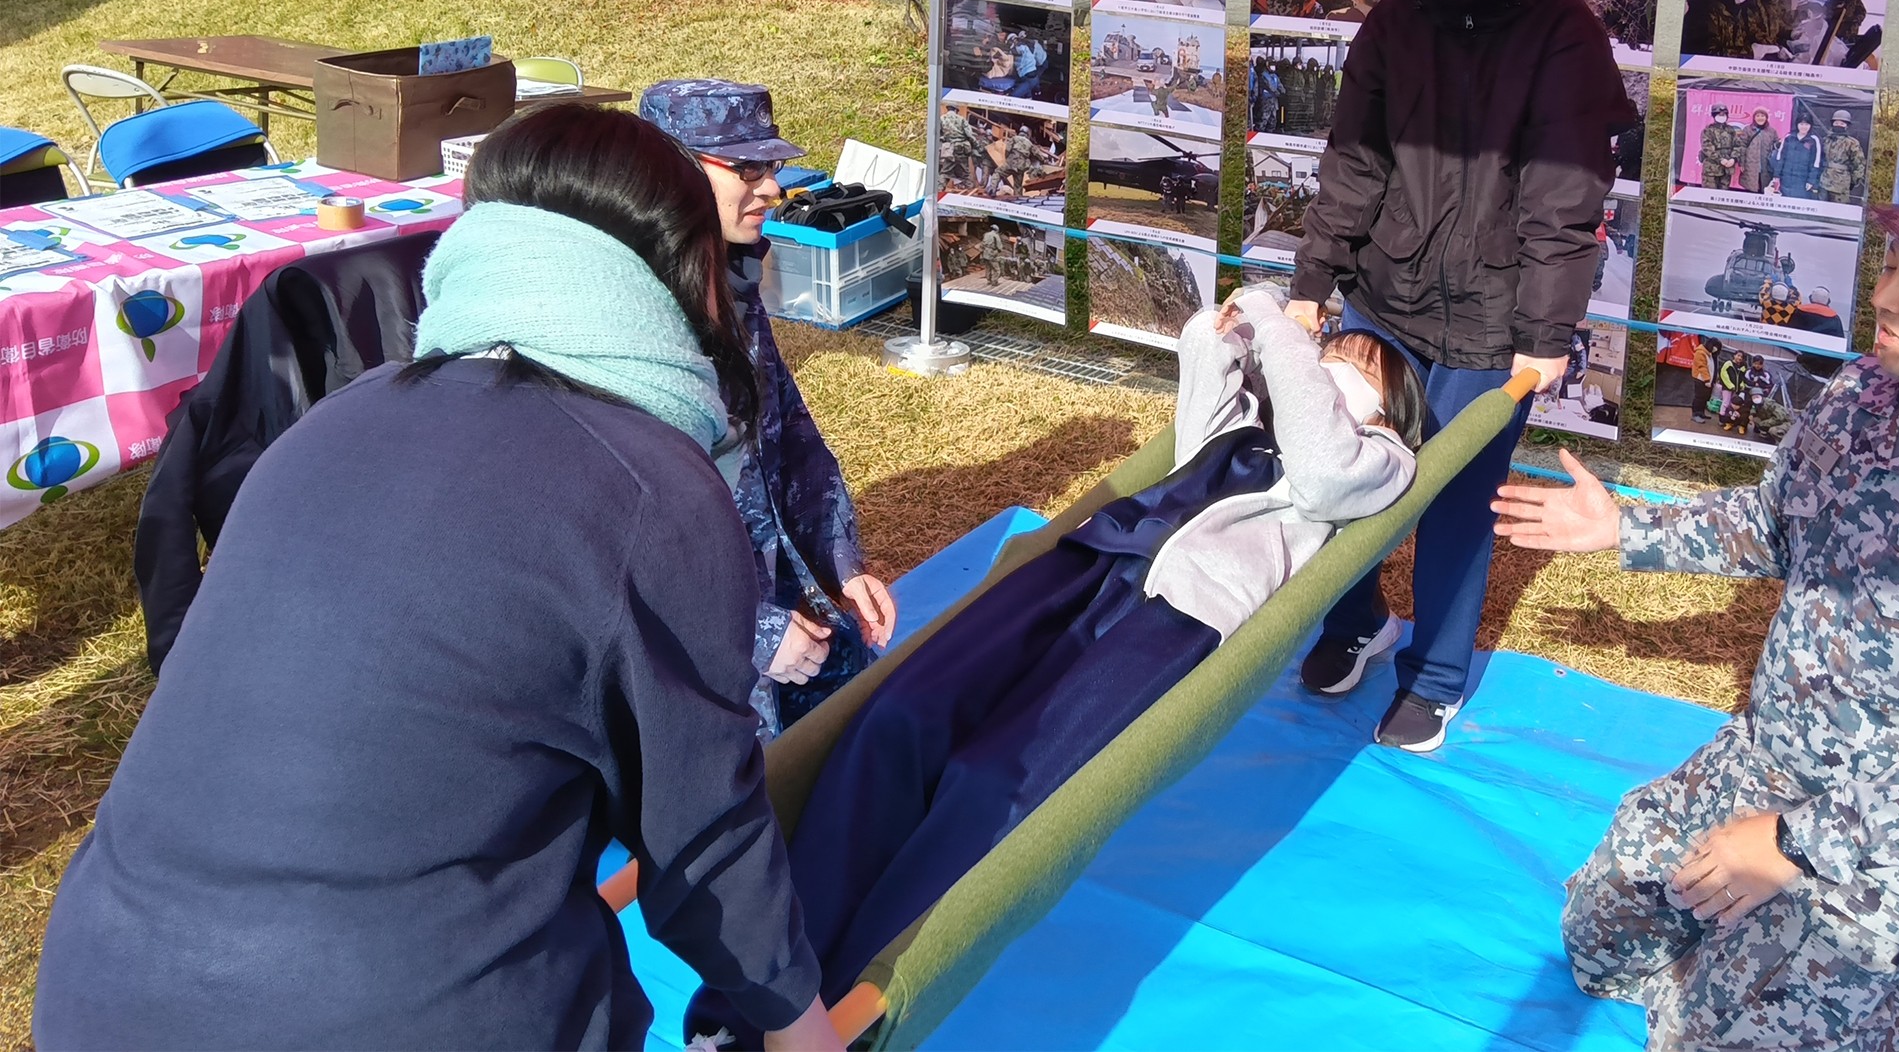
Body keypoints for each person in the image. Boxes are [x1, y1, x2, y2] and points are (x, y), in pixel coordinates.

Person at [33, 105, 840, 1051]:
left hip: (100, 986)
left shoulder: (332, 423)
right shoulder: (649, 485)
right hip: (410, 1010)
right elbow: (706, 844)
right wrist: (803, 1033)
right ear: (675, 270)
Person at [1498, 196, 1899, 1052]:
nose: (1886, 295)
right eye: (1893, 268)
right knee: (1600, 947)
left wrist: (1794, 844)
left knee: (1712, 1039)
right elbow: (1779, 524)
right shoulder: (1865, 393)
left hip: (1892, 840)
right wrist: (1627, 530)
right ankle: (1759, 966)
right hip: (1767, 761)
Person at [763, 287, 1428, 1019]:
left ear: (1389, 409)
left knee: (992, 787)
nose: (1324, 367)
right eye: (1325, 356)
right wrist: (1260, 305)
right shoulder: (1241, 421)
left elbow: (1323, 462)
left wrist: (1283, 336)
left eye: (1351, 367)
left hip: (1175, 616)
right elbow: (1206, 341)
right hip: (1088, 562)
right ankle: (764, 994)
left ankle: (842, 1010)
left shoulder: (1378, 462)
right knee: (902, 715)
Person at [1288, 0, 1634, 753]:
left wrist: (1546, 332)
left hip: (1494, 322)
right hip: (1383, 299)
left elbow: (1566, 201)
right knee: (1333, 469)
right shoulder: (1397, 19)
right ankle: (1354, 620)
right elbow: (1352, 163)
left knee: (1456, 499)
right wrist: (1314, 279)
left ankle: (1435, 676)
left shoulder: (1565, 38)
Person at [641, 82, 896, 731]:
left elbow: (790, 436)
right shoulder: (632, 321)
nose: (773, 189)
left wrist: (841, 564)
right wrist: (752, 632)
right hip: (687, 659)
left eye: (774, 167)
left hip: (774, 606)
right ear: (672, 168)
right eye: (747, 169)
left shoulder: (730, 277)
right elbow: (628, 529)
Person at [1819, 108, 1867, 204]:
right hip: (1823, 181)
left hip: (1841, 184)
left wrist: (1853, 181)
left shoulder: (1852, 143)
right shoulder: (1826, 140)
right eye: (1836, 123)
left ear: (1847, 126)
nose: (1838, 125)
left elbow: (1859, 164)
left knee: (1839, 211)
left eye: (1842, 123)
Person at [1775, 113, 1823, 201]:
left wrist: (1811, 181)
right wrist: (1776, 175)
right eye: (1801, 124)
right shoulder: (1789, 137)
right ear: (1797, 124)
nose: (1803, 127)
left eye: (1806, 124)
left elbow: (1816, 163)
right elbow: (1780, 158)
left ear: (1810, 125)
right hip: (1786, 180)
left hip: (1802, 181)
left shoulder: (1814, 140)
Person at [1737, 106, 1780, 194]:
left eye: (1762, 115)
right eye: (1758, 116)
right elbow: (1742, 146)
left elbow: (1775, 147)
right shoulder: (1748, 130)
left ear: (1766, 117)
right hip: (1750, 166)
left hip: (1766, 167)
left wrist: (1780, 143)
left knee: (1765, 190)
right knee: (1750, 191)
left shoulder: (1772, 131)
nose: (1760, 118)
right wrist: (1742, 163)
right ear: (1754, 117)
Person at [1697, 104, 1741, 189]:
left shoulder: (1731, 130)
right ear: (1714, 116)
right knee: (1709, 195)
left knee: (1723, 195)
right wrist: (1720, 159)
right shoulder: (1708, 130)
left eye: (1723, 114)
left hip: (1727, 168)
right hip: (1711, 168)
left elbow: (1738, 145)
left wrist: (1733, 159)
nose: (1721, 116)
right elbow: (1707, 147)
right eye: (1719, 114)